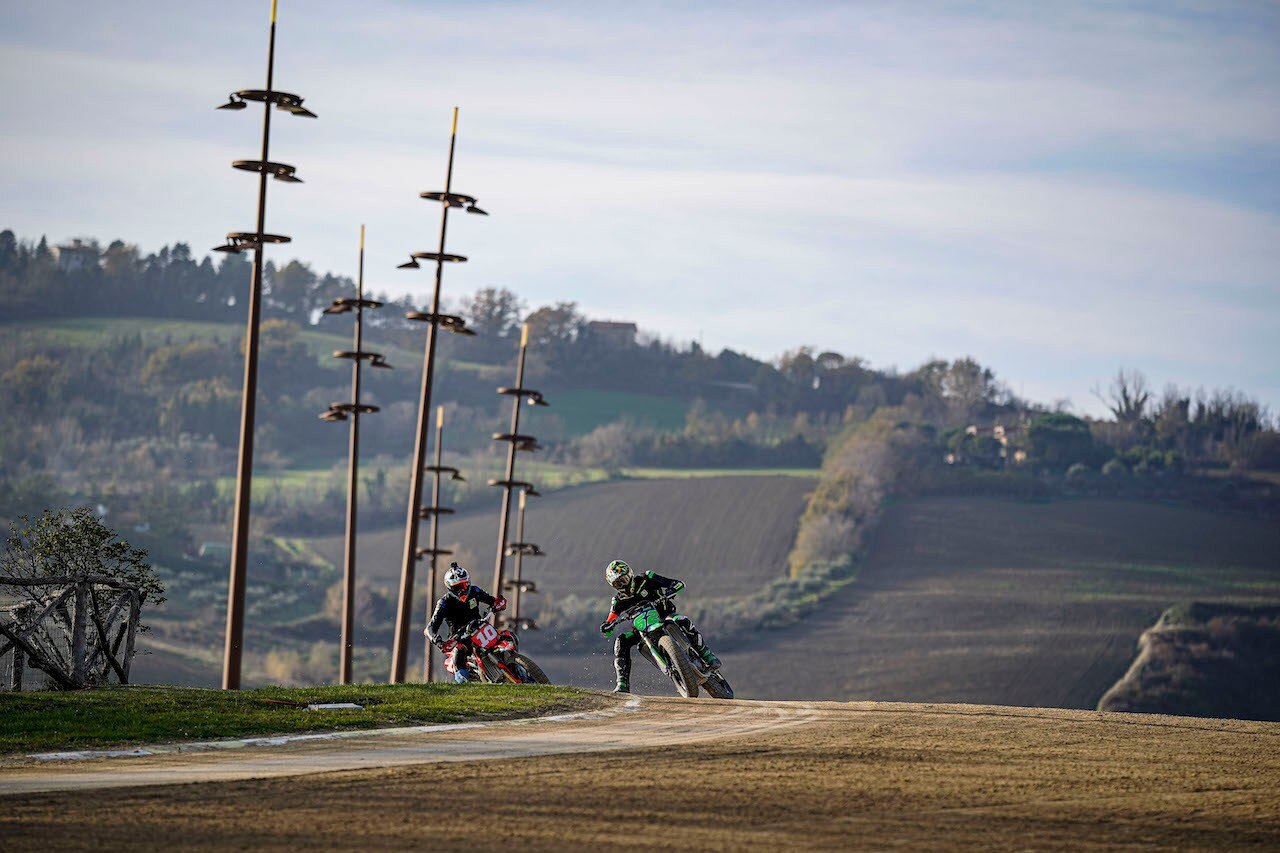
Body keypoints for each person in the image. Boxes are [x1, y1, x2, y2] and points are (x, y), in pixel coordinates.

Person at [599, 559, 719, 693]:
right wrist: (607, 626)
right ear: (612, 585)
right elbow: (611, 617)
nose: (622, 584)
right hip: (642, 629)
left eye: (624, 579)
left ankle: (707, 655)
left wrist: (673, 589)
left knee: (682, 620)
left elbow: (677, 584)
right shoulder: (618, 600)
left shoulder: (647, 578)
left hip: (665, 616)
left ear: (630, 574)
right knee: (621, 641)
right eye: (617, 583)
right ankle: (622, 683)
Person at [424, 563, 506, 683]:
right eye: (457, 587)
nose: (462, 590)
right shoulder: (443, 603)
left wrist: (499, 603)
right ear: (449, 588)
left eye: (464, 584)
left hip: (480, 627)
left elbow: (492, 601)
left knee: (507, 635)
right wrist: (440, 642)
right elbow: (429, 628)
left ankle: (518, 666)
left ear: (468, 582)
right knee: (459, 651)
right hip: (460, 638)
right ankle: (463, 682)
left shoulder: (475, 591)